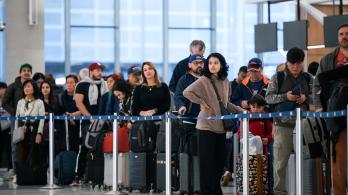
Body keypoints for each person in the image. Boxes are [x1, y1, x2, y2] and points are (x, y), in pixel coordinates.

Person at [183, 53, 244, 195]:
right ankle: (207, 192)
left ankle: (215, 190)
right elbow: (187, 92)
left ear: (221, 64)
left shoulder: (226, 81)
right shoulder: (204, 80)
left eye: (216, 63)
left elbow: (226, 103)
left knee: (218, 164)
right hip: (206, 127)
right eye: (210, 63)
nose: (212, 66)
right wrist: (202, 102)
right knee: (206, 165)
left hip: (220, 129)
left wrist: (242, 111)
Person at [265, 47, 312, 195]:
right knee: (280, 163)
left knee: (307, 160)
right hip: (282, 125)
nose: (295, 67)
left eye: (298, 63)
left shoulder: (309, 78)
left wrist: (306, 98)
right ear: (287, 62)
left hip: (304, 125)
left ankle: (306, 190)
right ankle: (279, 192)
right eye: (292, 63)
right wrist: (286, 96)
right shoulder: (278, 77)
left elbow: (317, 99)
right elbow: (268, 98)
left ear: (302, 63)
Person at [312, 23, 348, 194]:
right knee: (337, 161)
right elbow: (317, 84)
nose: (344, 37)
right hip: (336, 117)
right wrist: (320, 107)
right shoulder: (328, 59)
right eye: (341, 34)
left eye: (347, 33)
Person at [71, 62, 108, 186]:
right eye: (97, 70)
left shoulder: (104, 84)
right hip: (88, 122)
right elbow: (79, 103)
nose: (99, 72)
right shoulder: (82, 85)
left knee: (100, 148)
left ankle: (97, 175)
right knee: (86, 147)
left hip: (103, 121)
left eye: (100, 70)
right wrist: (89, 117)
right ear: (90, 71)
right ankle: (79, 175)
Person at [2, 63, 32, 182]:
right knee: (16, 146)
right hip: (17, 121)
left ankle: (27, 170)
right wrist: (15, 113)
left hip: (31, 120)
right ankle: (16, 170)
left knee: (29, 145)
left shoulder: (33, 85)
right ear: (20, 72)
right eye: (24, 70)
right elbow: (5, 102)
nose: (26, 72)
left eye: (28, 70)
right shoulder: (12, 86)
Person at [14, 79, 45, 184]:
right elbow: (16, 118)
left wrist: (39, 133)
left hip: (34, 130)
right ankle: (21, 177)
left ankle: (35, 178)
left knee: (35, 154)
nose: (26, 89)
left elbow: (42, 119)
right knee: (21, 154)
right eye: (25, 87)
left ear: (34, 88)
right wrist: (15, 132)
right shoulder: (20, 102)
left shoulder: (39, 102)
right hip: (22, 131)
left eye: (29, 86)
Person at [57, 75, 81, 153]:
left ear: (76, 84)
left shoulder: (80, 96)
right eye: (67, 83)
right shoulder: (61, 97)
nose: (69, 85)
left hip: (79, 126)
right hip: (65, 129)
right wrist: (67, 116)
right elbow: (60, 111)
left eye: (71, 82)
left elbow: (83, 110)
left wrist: (71, 115)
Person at [0, 82, 12, 179]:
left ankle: (10, 170)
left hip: (7, 127)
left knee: (8, 149)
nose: (2, 91)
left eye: (4, 88)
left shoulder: (9, 100)